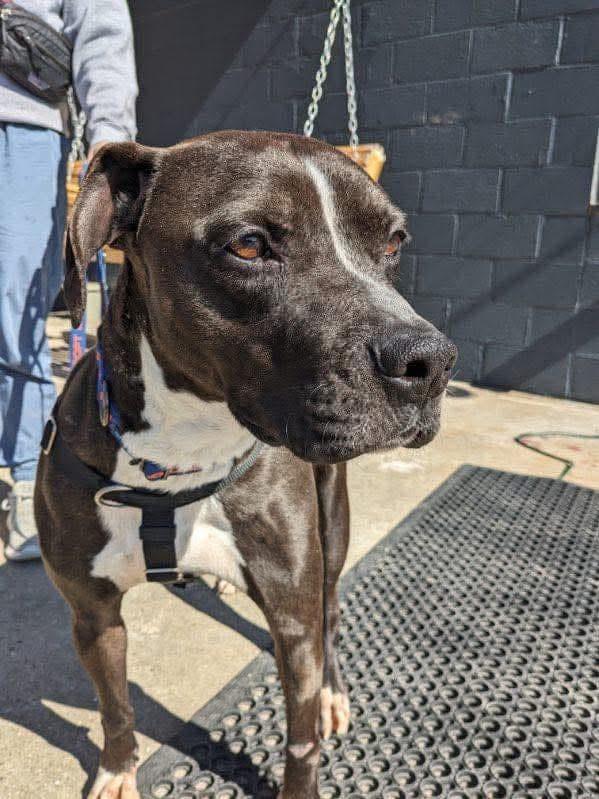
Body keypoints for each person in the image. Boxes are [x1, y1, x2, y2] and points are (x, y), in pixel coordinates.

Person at [0, 0, 138, 560]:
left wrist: (110, 134)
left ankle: (30, 476)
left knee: (11, 310)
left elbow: (101, 29)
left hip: (19, 126)